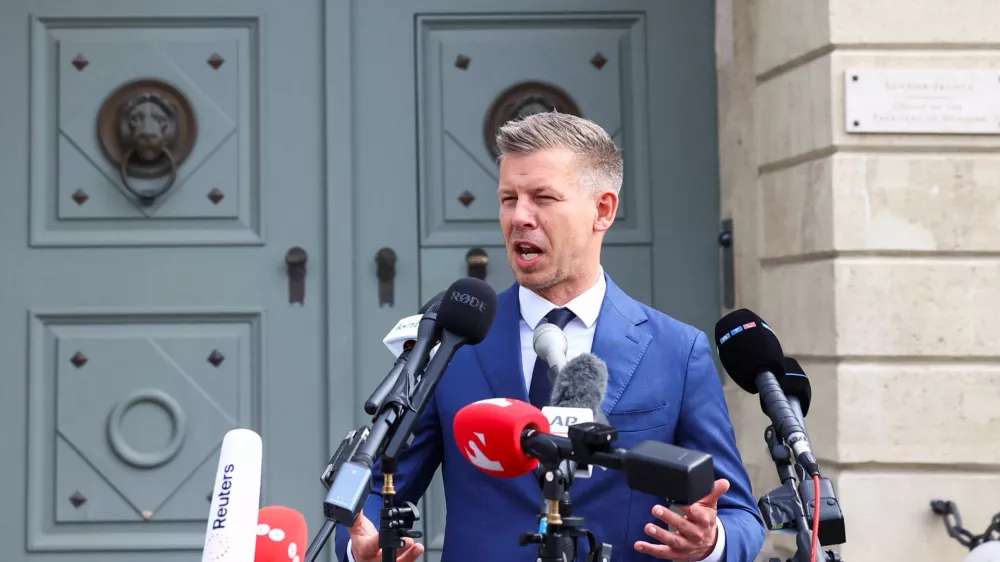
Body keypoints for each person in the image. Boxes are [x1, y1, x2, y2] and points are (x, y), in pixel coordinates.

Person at [334, 112, 765, 562]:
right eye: (508, 198)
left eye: (542, 197)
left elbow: (738, 516)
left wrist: (710, 542)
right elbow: (381, 490)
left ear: (603, 210)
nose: (519, 217)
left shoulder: (677, 351)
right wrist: (358, 547)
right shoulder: (453, 346)